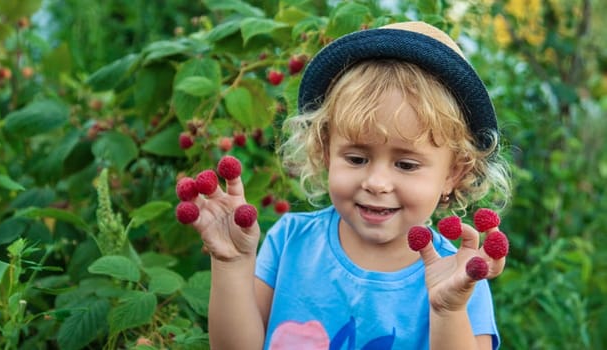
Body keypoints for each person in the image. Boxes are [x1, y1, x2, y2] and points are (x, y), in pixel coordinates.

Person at [179, 21, 513, 349]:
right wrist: (232, 264)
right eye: (356, 159)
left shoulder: (460, 277)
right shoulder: (290, 241)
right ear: (325, 151)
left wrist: (448, 310)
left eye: (406, 164)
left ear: (453, 173)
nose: (377, 182)